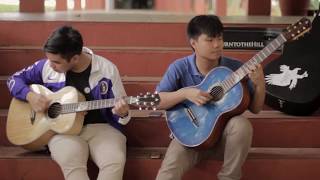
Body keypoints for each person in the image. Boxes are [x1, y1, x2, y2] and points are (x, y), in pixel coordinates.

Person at [7, 26, 131, 180]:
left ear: (75, 58)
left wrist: (123, 112)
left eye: (56, 62)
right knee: (71, 160)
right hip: (60, 132)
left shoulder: (107, 70)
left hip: (101, 128)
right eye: (49, 59)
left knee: (114, 161)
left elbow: (123, 113)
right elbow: (13, 80)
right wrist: (30, 96)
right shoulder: (46, 66)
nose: (50, 65)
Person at [155, 15, 265, 180]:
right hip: (190, 138)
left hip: (224, 139)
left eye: (220, 38)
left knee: (242, 124)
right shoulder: (179, 67)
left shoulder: (235, 69)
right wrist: (185, 93)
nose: (217, 45)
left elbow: (255, 109)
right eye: (210, 40)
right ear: (194, 43)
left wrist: (260, 84)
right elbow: (157, 101)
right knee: (166, 175)